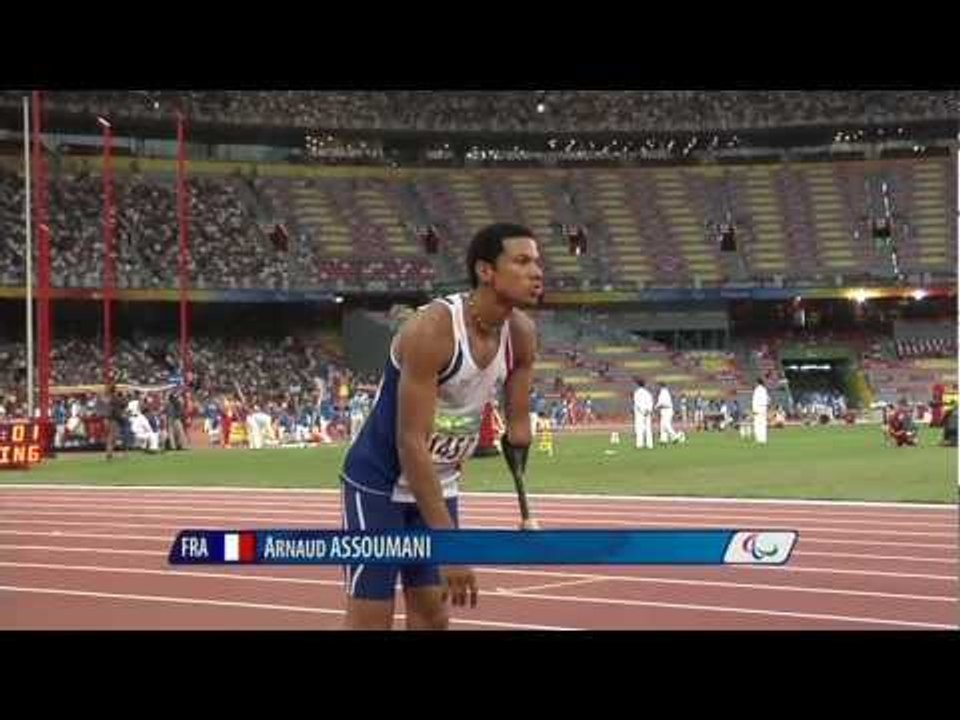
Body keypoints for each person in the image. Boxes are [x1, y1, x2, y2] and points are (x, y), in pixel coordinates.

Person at [339, 223, 543, 630]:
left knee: (434, 616)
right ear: (486, 271)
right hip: (380, 483)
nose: (536, 272)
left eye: (537, 261)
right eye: (522, 261)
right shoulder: (433, 329)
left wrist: (522, 477)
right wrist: (450, 545)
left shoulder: (521, 335)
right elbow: (410, 442)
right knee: (370, 620)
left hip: (440, 482)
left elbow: (517, 428)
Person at [633, 377, 654, 449]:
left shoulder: (637, 393)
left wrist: (642, 411)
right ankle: (649, 444)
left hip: (639, 413)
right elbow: (651, 402)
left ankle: (640, 444)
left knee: (639, 428)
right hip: (647, 413)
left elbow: (637, 403)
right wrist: (648, 410)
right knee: (648, 428)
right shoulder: (648, 393)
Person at [752, 377, 770, 445]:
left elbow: (755, 401)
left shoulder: (757, 390)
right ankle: (763, 440)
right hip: (763, 408)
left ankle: (758, 440)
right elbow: (768, 400)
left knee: (757, 424)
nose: (754, 383)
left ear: (757, 382)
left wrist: (754, 409)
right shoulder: (764, 389)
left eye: (755, 382)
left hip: (758, 408)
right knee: (763, 424)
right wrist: (766, 407)